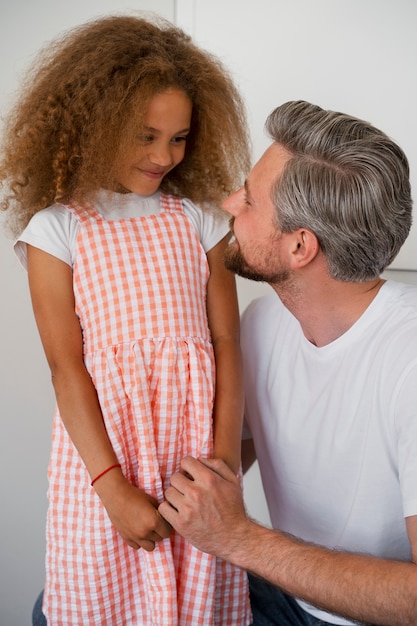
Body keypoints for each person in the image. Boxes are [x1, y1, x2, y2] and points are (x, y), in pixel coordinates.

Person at [0, 14, 252, 625]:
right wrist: (113, 488)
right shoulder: (56, 230)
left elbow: (226, 343)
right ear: (96, 123)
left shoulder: (200, 221)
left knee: (200, 602)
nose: (164, 156)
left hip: (194, 466)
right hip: (109, 465)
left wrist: (220, 467)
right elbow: (67, 368)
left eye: (179, 137)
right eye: (145, 136)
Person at [159, 100, 417, 626]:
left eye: (250, 200)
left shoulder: (408, 363)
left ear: (300, 245)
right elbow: (223, 467)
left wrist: (238, 538)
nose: (231, 203)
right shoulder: (262, 323)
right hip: (279, 589)